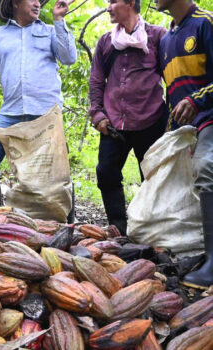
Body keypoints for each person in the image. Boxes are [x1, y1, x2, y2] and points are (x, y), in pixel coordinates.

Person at [0, 0, 77, 209]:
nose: (38, 3)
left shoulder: (49, 31)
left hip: (45, 115)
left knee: (57, 173)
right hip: (10, 114)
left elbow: (68, 58)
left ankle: (66, 225)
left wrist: (59, 19)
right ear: (15, 3)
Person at [88, 0, 166, 236]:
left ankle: (152, 232)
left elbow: (171, 77)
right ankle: (118, 230)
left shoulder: (158, 37)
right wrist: (98, 114)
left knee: (152, 180)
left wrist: (173, 119)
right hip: (113, 124)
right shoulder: (106, 41)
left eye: (113, 1)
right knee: (106, 173)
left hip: (150, 121)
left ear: (130, 3)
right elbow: (96, 81)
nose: (108, 7)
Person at [156, 0, 213, 289]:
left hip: (210, 118)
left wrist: (197, 100)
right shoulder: (167, 39)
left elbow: (194, 94)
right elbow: (174, 94)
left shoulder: (205, 23)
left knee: (206, 167)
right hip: (187, 128)